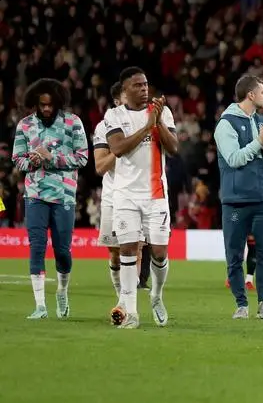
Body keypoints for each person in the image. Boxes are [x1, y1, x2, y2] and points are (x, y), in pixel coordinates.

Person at [104, 67, 178, 329]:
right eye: (137, 85)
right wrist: (146, 127)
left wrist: (156, 122)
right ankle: (132, 312)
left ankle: (156, 295)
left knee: (159, 252)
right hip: (125, 194)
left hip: (155, 194)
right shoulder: (114, 115)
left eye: (146, 84)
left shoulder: (162, 112)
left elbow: (174, 148)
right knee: (127, 250)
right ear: (125, 91)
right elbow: (118, 149)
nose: (144, 89)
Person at [13, 78, 88, 320]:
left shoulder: (72, 123)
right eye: (41, 104)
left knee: (63, 251)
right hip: (35, 194)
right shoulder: (25, 126)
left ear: (57, 103)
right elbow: (17, 159)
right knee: (36, 247)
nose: (46, 109)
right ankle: (40, 306)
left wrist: (51, 157)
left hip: (64, 193)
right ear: (34, 103)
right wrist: (31, 162)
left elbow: (83, 157)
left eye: (50, 105)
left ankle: (62, 291)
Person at [214, 74, 263, 320]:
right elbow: (234, 159)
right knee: (235, 255)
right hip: (236, 200)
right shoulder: (226, 123)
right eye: (262, 92)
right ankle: (241, 305)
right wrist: (258, 142)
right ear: (251, 95)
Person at [93, 83, 124, 305]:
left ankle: (125, 302)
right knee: (114, 252)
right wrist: (122, 147)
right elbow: (100, 167)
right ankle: (120, 294)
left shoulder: (145, 123)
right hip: (113, 194)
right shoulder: (103, 127)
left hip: (140, 194)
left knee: (135, 250)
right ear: (116, 102)